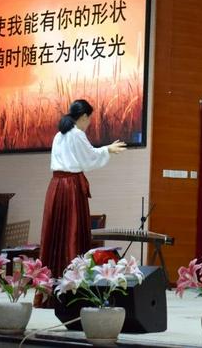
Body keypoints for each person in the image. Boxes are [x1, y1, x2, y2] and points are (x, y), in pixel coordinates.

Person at [38, 100, 127, 295]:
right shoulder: (77, 134)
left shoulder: (59, 135)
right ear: (84, 116)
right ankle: (73, 289)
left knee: (56, 234)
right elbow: (88, 158)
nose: (89, 124)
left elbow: (84, 156)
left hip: (56, 186)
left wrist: (104, 150)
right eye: (89, 120)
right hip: (70, 187)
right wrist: (107, 149)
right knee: (73, 232)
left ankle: (50, 288)